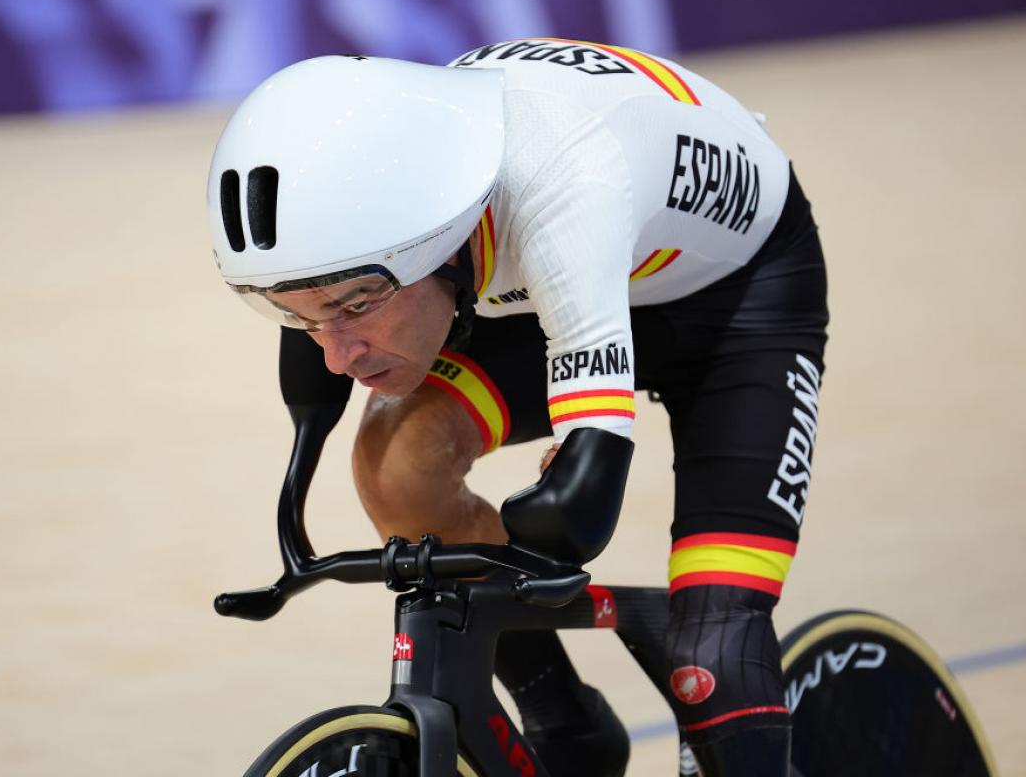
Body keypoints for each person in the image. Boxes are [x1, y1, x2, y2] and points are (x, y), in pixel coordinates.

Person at [207, 40, 828, 777]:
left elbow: (584, 505)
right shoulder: (407, 193)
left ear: (436, 244)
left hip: (737, 301)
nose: (337, 356)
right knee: (401, 468)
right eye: (301, 316)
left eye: (356, 305)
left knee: (715, 652)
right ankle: (564, 720)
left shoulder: (561, 180)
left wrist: (569, 480)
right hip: (558, 276)